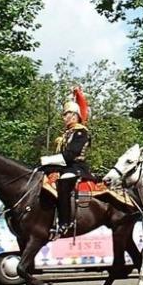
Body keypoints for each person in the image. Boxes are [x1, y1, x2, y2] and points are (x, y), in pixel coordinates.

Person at [40, 87, 91, 239]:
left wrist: (48, 159)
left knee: (63, 183)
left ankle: (65, 222)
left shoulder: (81, 132)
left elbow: (70, 155)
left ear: (75, 116)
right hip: (65, 166)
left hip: (76, 167)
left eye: (66, 114)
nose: (64, 117)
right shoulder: (67, 133)